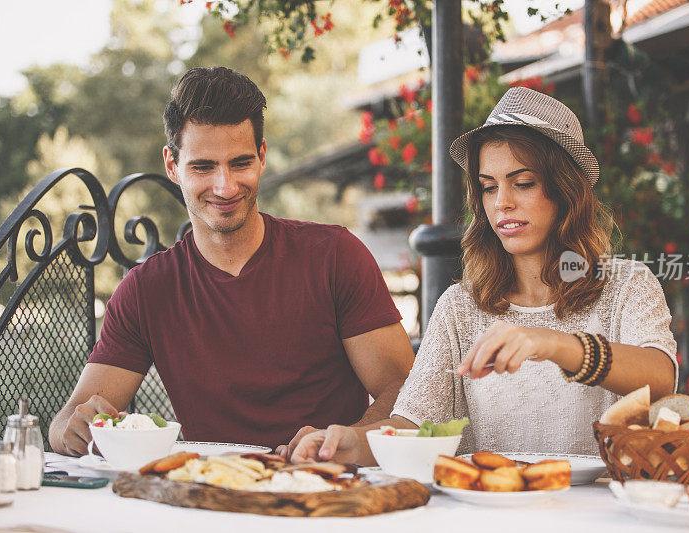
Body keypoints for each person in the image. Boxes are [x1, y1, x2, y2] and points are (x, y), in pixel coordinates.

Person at [289, 87, 677, 465]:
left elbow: (660, 377)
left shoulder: (626, 285)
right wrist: (346, 442)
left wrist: (553, 343)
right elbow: (411, 423)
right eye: (488, 187)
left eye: (523, 183)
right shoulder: (461, 307)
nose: (502, 203)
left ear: (566, 190)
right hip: (484, 512)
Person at [48, 67, 414, 456]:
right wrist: (73, 430)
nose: (225, 186)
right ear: (172, 165)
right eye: (203, 166)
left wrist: (347, 441)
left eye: (240, 163)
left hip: (326, 492)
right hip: (208, 493)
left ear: (262, 157)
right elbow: (67, 422)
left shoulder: (336, 256)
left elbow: (408, 395)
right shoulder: (145, 290)